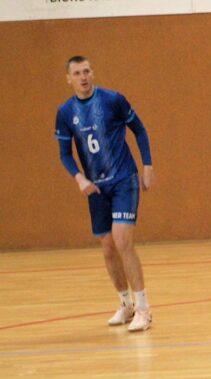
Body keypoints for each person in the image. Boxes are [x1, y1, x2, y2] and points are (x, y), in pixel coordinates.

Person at [55, 55, 154, 332]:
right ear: (69, 79)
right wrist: (79, 179)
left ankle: (143, 308)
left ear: (93, 73)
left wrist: (147, 166)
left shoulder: (113, 100)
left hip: (123, 178)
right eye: (77, 73)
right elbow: (65, 154)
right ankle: (125, 304)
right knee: (108, 247)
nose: (83, 77)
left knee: (122, 240)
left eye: (87, 71)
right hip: (96, 187)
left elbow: (139, 130)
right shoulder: (65, 112)